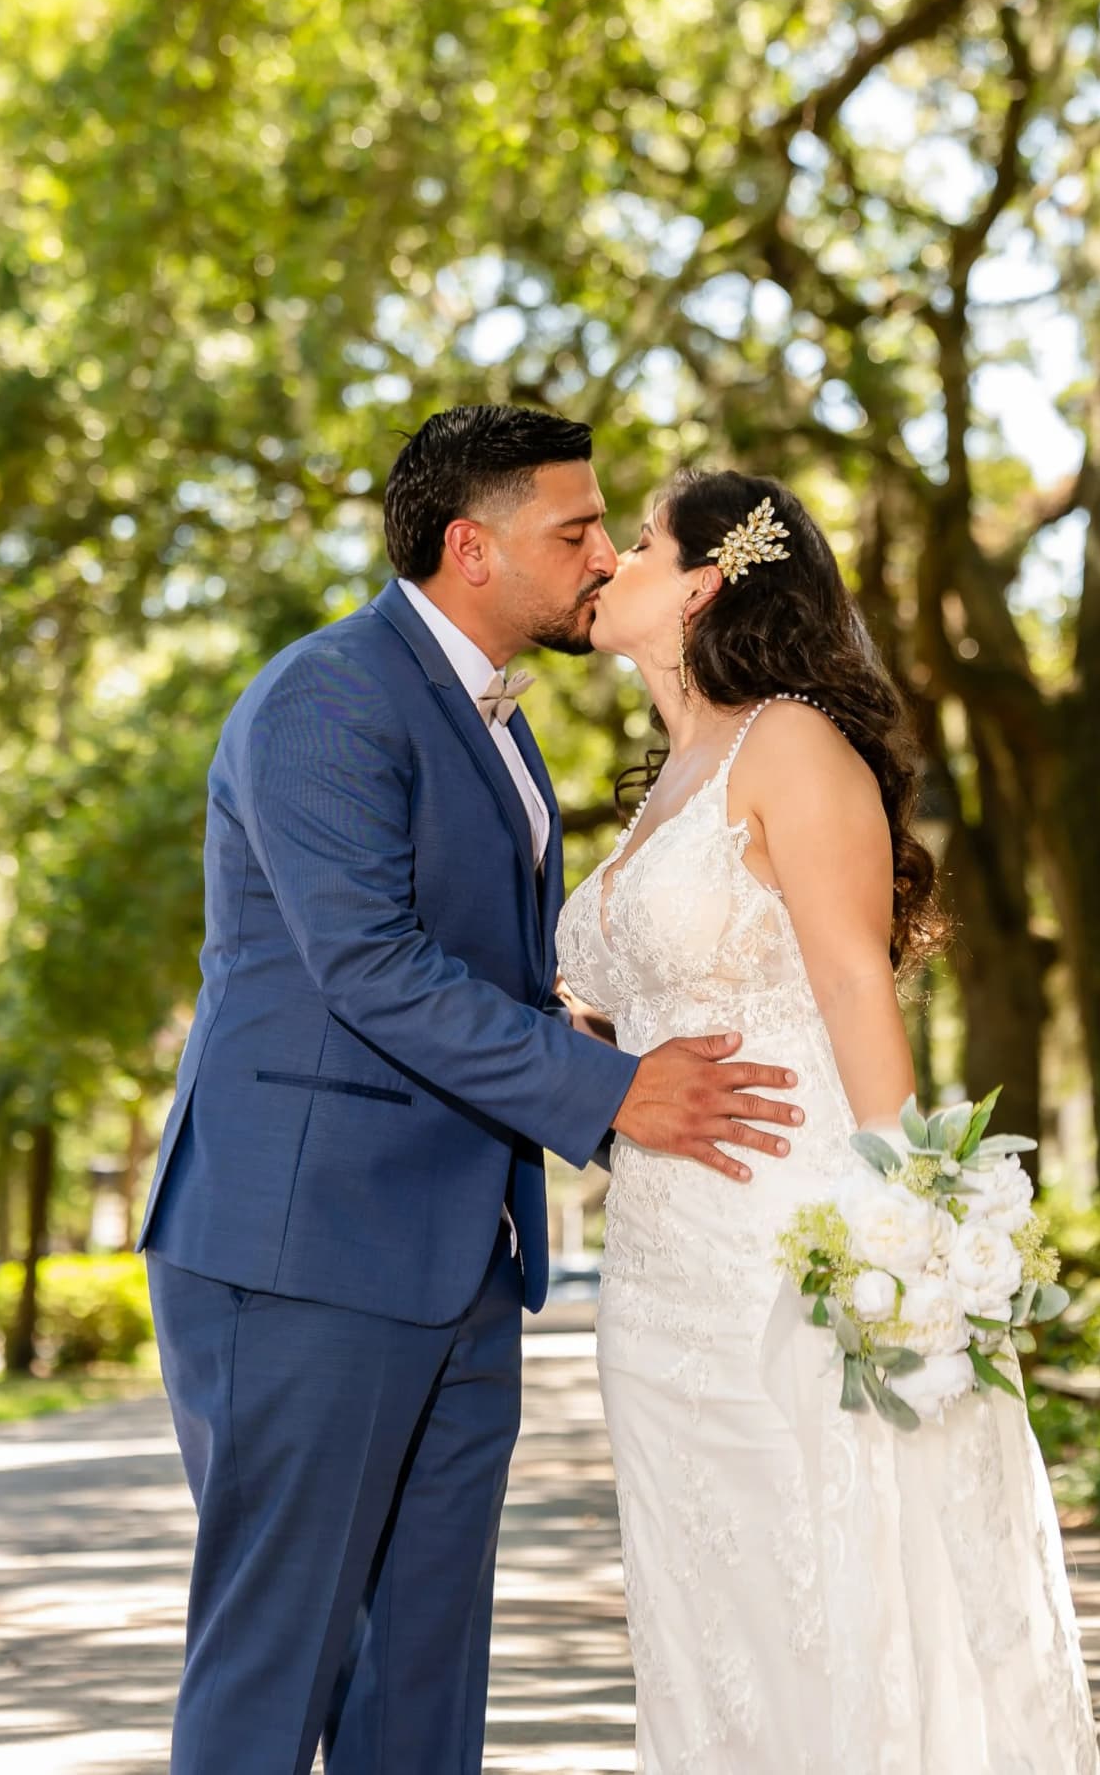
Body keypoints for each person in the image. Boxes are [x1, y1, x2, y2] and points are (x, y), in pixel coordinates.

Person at [137, 405, 803, 1775]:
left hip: (463, 1263)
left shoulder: (503, 725)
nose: (605, 555)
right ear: (469, 546)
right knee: (277, 1668)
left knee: (422, 1689)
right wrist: (610, 1089)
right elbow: (369, 967)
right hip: (300, 1253)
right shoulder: (326, 695)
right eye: (575, 531)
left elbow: (477, 968)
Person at [558, 467, 1100, 1773]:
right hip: (656, 1268)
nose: (605, 564)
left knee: (829, 1583)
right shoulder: (662, 783)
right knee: (705, 1620)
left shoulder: (788, 739)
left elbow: (856, 980)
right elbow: (634, 1026)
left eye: (632, 542)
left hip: (779, 1247)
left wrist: (913, 1237)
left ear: (701, 582)